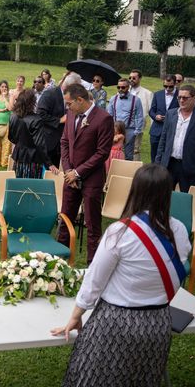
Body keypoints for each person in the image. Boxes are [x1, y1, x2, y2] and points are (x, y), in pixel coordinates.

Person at [52, 163, 191, 387]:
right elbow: (179, 269)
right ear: (168, 193)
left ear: (135, 190)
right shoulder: (180, 230)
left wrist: (76, 316)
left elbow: (94, 281)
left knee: (90, 378)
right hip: (158, 323)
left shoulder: (120, 232)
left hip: (116, 323)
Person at [58, 83, 114, 263]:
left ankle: (93, 266)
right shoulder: (71, 114)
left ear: (80, 100)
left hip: (92, 179)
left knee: (92, 224)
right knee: (65, 220)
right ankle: (59, 262)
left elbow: (102, 152)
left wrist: (78, 173)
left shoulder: (103, 118)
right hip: (70, 177)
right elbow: (65, 142)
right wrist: (68, 171)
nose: (67, 107)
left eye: (69, 103)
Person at [155, 84, 195, 192]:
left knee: (186, 199)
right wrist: (158, 161)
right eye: (179, 97)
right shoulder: (171, 114)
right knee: (164, 196)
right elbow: (163, 139)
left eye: (185, 98)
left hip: (190, 166)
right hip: (169, 164)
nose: (181, 100)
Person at [37, 72, 82, 169]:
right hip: (48, 142)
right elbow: (40, 115)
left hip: (62, 142)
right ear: (69, 86)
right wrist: (59, 120)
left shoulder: (72, 98)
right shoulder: (49, 94)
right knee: (46, 173)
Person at [8, 89, 56, 178]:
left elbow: (11, 138)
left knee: (18, 184)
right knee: (32, 187)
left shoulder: (13, 116)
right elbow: (40, 144)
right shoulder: (36, 119)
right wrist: (49, 163)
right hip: (33, 160)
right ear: (32, 102)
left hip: (19, 157)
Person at [108, 78, 144, 161]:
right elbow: (109, 115)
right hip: (115, 131)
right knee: (113, 153)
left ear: (128, 87)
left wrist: (136, 131)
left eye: (123, 87)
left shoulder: (136, 100)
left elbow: (139, 116)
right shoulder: (113, 98)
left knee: (128, 155)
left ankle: (126, 172)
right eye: (119, 87)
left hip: (129, 130)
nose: (120, 89)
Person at [149, 74, 178, 162]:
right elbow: (151, 111)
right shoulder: (157, 94)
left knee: (167, 155)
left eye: (170, 86)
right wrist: (155, 116)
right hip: (156, 129)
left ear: (175, 84)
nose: (168, 89)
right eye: (165, 86)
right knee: (154, 155)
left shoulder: (180, 95)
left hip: (172, 130)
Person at [128, 69, 153, 161]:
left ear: (140, 78)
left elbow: (151, 112)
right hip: (123, 124)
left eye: (134, 78)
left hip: (138, 125)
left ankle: (134, 169)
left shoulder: (147, 93)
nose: (131, 79)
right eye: (130, 77)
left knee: (135, 149)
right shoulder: (124, 90)